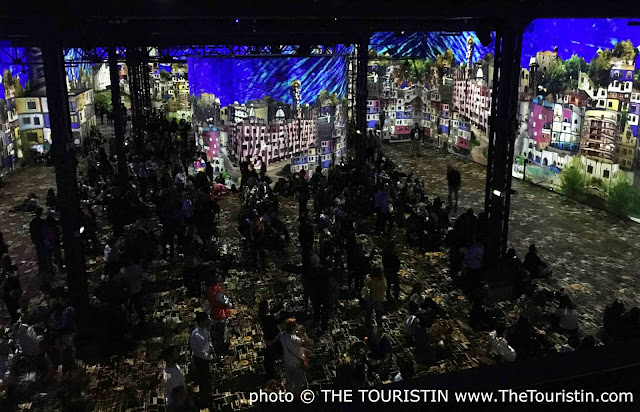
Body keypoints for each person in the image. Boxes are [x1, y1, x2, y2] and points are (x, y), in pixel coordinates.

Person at [189, 312, 214, 409]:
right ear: (201, 322)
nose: (208, 321)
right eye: (206, 320)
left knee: (207, 380)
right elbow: (200, 353)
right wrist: (210, 357)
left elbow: (208, 341)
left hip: (206, 358)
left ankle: (208, 398)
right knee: (203, 381)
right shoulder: (196, 335)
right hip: (201, 361)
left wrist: (211, 350)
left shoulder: (204, 330)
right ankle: (203, 403)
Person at [280, 318, 312, 394]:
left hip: (287, 361)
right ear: (294, 327)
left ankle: (288, 393)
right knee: (298, 380)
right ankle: (297, 395)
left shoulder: (282, 335)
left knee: (289, 379)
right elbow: (308, 344)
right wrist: (303, 334)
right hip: (297, 363)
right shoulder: (296, 340)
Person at [206, 276, 231, 358]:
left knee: (216, 332)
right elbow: (224, 302)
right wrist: (228, 302)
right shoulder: (217, 290)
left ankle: (217, 349)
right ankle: (221, 351)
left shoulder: (209, 289)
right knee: (221, 333)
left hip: (214, 314)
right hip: (220, 314)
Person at [258, 300, 283, 378]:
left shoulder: (263, 314)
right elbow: (276, 322)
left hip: (269, 338)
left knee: (272, 353)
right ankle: (271, 373)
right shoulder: (268, 318)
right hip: (272, 339)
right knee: (272, 355)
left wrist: (279, 306)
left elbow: (271, 312)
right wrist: (283, 316)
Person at [363, 264, 387, 330]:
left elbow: (365, 283)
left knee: (368, 312)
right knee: (378, 313)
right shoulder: (383, 280)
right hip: (380, 298)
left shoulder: (369, 279)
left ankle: (367, 325)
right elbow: (385, 288)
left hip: (370, 298)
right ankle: (379, 326)